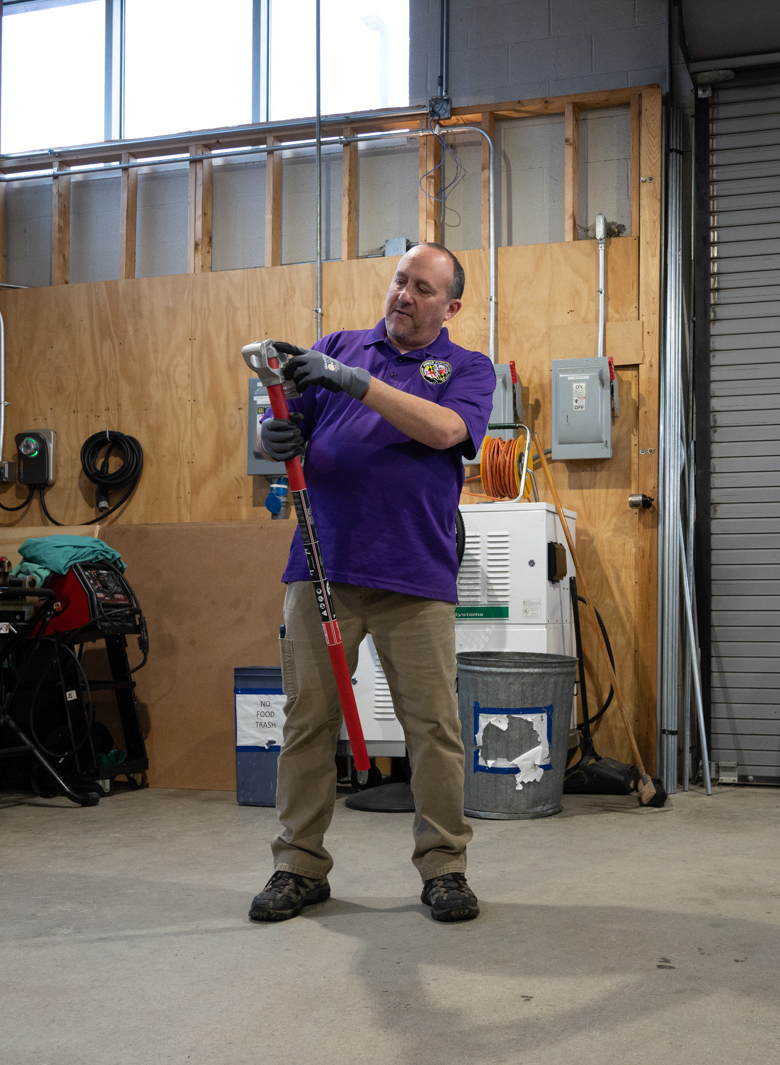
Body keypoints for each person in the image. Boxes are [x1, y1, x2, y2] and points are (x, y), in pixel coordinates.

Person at [250, 242, 497, 924]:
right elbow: (288, 426)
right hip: (323, 566)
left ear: (450, 306)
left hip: (414, 576)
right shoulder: (338, 347)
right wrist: (276, 437)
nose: (404, 295)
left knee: (434, 728)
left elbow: (446, 430)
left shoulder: (466, 369)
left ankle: (444, 868)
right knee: (307, 721)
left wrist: (352, 382)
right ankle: (298, 865)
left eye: (423, 288)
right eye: (399, 280)